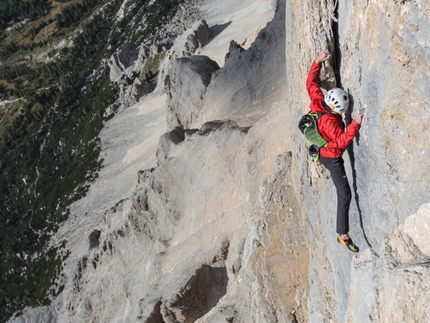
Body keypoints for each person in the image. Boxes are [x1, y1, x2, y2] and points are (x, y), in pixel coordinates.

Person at [306, 49, 365, 252]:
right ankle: (343, 234)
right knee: (345, 194)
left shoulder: (317, 103)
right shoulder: (334, 124)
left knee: (344, 193)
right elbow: (341, 141)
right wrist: (355, 122)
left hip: (322, 151)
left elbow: (311, 84)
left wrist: (317, 60)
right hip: (331, 158)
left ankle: (342, 233)